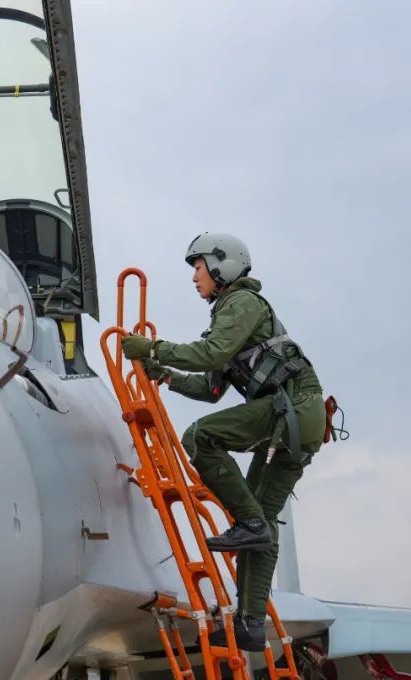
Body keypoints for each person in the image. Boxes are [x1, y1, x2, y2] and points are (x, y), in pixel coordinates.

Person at [120, 232, 325, 652]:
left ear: (220, 264)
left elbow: (211, 354)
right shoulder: (231, 316)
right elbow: (212, 389)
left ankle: (248, 523)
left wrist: (153, 349)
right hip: (296, 420)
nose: (194, 277)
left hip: (292, 410)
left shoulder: (242, 303)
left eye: (198, 267)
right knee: (261, 526)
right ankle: (250, 624)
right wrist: (167, 376)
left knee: (201, 436)